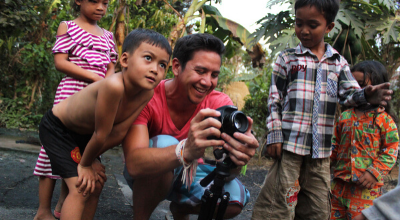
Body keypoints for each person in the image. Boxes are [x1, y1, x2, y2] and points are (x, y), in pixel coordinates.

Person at [251, 0, 393, 219]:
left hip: (321, 154)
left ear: (329, 27)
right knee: (279, 203)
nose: (304, 30)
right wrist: (275, 134)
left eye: (312, 25)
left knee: (318, 208)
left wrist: (366, 95)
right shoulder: (287, 58)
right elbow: (274, 99)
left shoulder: (338, 63)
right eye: (299, 23)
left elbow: (349, 95)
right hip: (290, 147)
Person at [122, 33, 259, 220]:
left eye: (214, 75)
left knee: (235, 198)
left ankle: (181, 209)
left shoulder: (219, 103)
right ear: (177, 67)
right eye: (200, 71)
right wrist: (184, 150)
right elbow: (134, 164)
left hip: (190, 175)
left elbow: (226, 174)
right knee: (164, 143)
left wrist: (237, 158)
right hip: (148, 174)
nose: (207, 82)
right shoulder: (148, 96)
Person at [38, 28, 171, 220]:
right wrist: (85, 164)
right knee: (81, 187)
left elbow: (118, 133)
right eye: (148, 58)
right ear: (124, 60)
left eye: (162, 65)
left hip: (84, 137)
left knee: (96, 183)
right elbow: (102, 133)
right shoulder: (113, 85)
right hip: (58, 129)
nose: (155, 69)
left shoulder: (147, 93)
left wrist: (91, 160)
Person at [33, 0, 117, 219]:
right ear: (78, 1)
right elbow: (60, 62)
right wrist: (94, 78)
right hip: (71, 93)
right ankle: (43, 210)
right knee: (52, 150)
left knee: (81, 149)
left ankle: (64, 203)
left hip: (97, 98)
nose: (101, 7)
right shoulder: (67, 26)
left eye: (105, 3)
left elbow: (111, 67)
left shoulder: (108, 36)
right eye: (94, 1)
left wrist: (105, 88)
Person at [330, 61, 399, 219]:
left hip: (366, 190)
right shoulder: (345, 117)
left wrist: (374, 172)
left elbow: (391, 149)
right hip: (339, 187)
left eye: (361, 85)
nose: (356, 90)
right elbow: (335, 145)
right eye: (352, 86)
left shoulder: (384, 120)